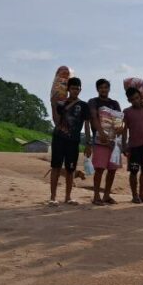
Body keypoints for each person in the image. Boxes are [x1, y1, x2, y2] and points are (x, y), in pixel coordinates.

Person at [49, 77, 91, 206]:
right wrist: (53, 105)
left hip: (73, 141)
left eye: (77, 89)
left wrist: (88, 143)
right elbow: (56, 122)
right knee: (56, 167)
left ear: (80, 90)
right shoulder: (61, 103)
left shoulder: (84, 105)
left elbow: (87, 125)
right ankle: (53, 197)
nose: (75, 91)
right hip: (59, 139)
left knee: (70, 169)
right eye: (73, 88)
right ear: (68, 89)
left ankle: (68, 197)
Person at [88, 78, 121, 206]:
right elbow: (93, 117)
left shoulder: (114, 103)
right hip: (99, 141)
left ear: (109, 89)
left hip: (113, 142)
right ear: (97, 89)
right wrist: (101, 133)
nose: (103, 89)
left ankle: (106, 195)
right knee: (100, 169)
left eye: (106, 87)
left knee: (112, 170)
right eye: (101, 87)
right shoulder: (93, 102)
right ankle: (96, 196)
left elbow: (119, 120)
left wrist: (119, 130)